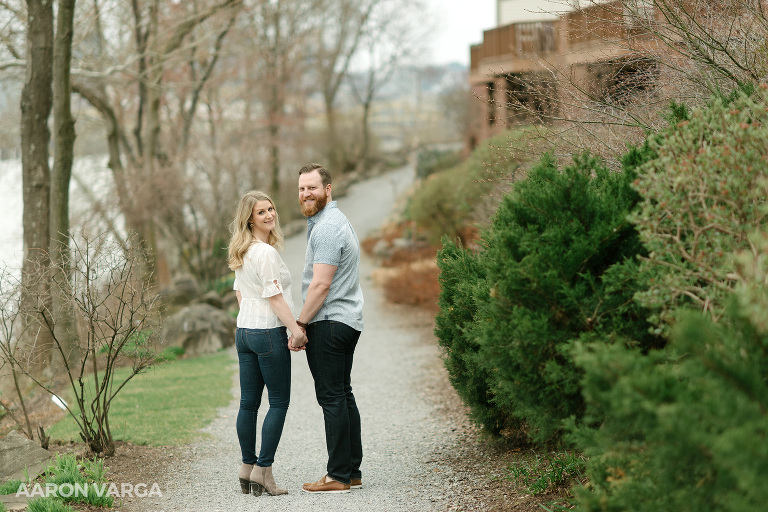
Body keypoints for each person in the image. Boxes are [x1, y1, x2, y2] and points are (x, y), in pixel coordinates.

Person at [227, 190, 307, 497]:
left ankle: (247, 467)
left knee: (248, 403)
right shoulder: (265, 253)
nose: (270, 215)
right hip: (268, 333)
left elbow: (240, 293)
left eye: (271, 208)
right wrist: (295, 330)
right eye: (262, 212)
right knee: (278, 402)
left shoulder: (241, 250)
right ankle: (263, 471)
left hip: (244, 332)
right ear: (249, 218)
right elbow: (274, 297)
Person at [292, 163, 364, 494]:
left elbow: (321, 285)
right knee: (342, 394)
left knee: (332, 396)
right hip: (346, 321)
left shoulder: (325, 228)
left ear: (328, 189)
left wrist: (300, 323)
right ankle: (351, 471)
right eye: (301, 189)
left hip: (330, 322)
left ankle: (337, 476)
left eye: (312, 188)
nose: (306, 194)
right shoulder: (336, 221)